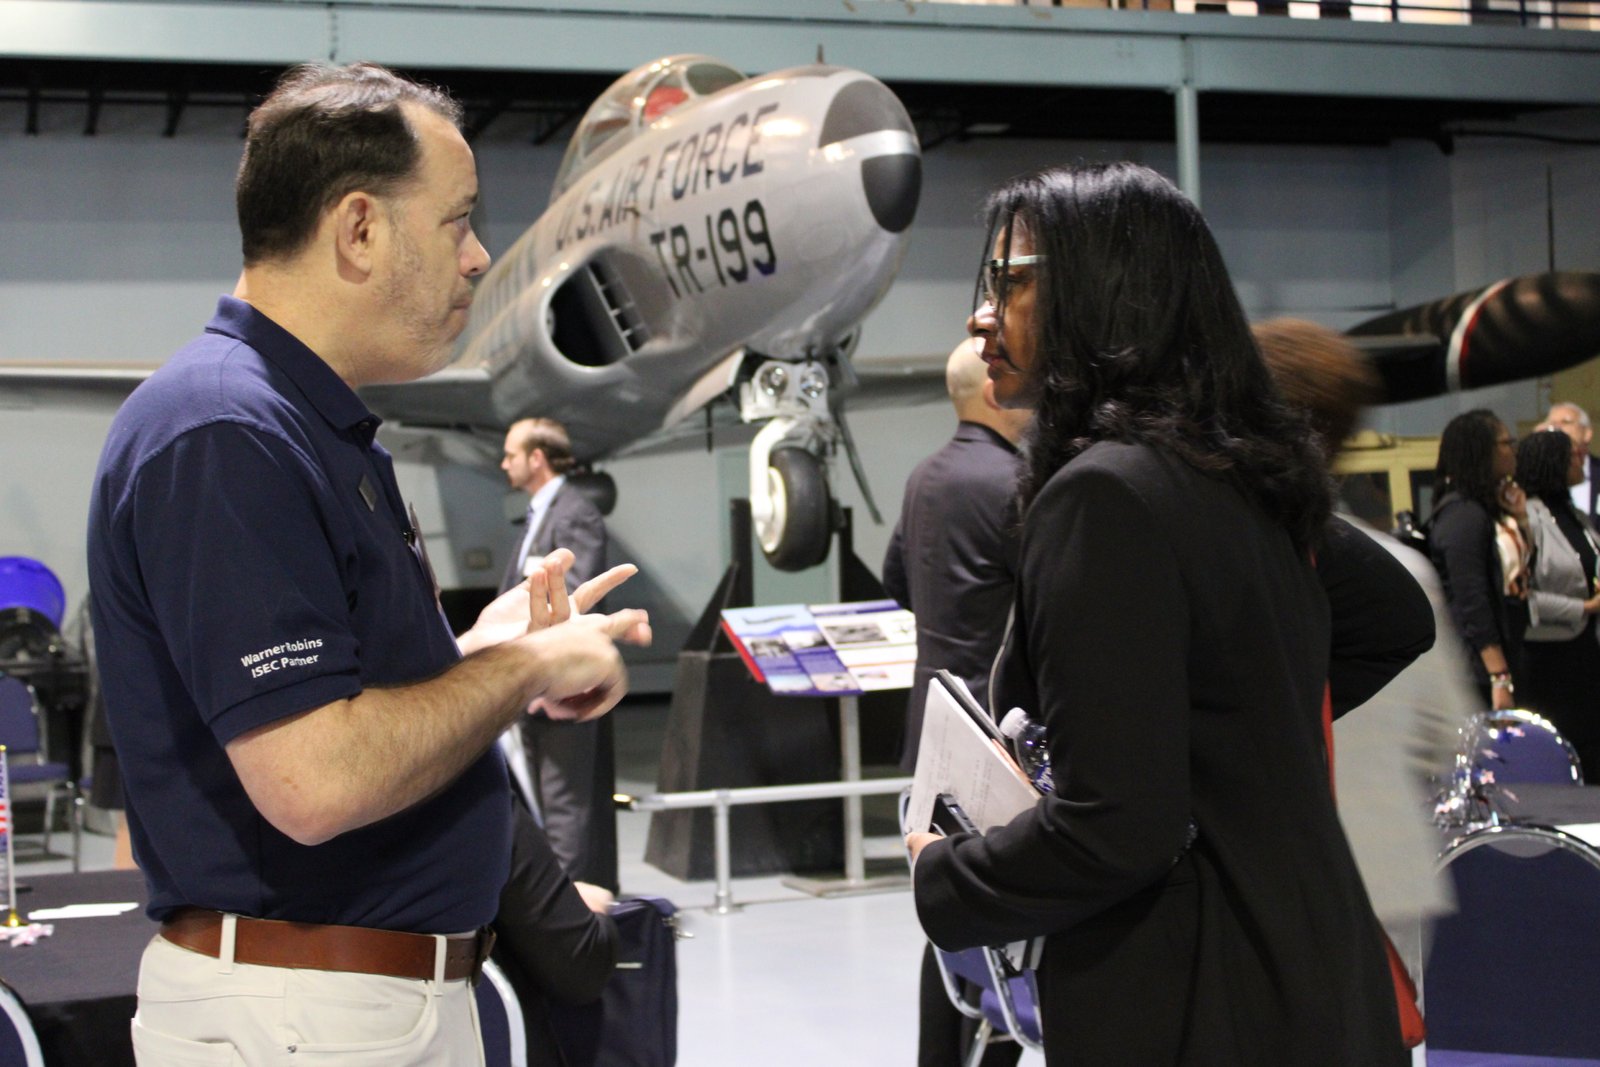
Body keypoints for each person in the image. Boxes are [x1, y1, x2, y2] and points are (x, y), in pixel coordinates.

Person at [87, 62, 649, 1063]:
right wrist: (524, 667)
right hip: (303, 1014)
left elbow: (335, 707)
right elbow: (315, 779)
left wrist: (481, 649)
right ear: (358, 230)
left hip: (354, 1005)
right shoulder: (225, 431)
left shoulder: (301, 426)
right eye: (457, 221)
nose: (478, 256)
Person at [906, 163, 1405, 1064]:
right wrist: (1232, 735)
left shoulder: (1104, 497)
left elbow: (1117, 829)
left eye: (1009, 283)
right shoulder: (1235, 473)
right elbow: (1392, 615)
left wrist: (945, 873)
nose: (981, 315)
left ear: (1100, 294)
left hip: (1200, 997)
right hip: (1316, 972)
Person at [882, 339, 1031, 1067]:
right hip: (996, 739)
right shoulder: (1019, 483)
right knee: (1013, 925)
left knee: (947, 913)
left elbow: (896, 579)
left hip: (931, 729)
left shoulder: (924, 476)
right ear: (997, 391)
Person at [500, 416, 618, 892]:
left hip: (561, 683)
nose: (503, 463)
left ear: (536, 459)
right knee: (546, 801)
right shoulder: (540, 514)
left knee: (565, 802)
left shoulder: (574, 514)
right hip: (533, 683)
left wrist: (549, 676)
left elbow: (573, 603)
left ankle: (572, 906)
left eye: (510, 454)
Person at [1515, 428, 1600, 780]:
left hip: (1586, 652)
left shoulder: (1575, 515)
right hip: (1549, 658)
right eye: (1572, 456)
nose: (1581, 461)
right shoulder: (1527, 518)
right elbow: (1524, 596)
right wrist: (1586, 607)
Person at [1428, 410, 1525, 710]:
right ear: (1483, 451)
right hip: (1475, 674)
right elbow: (1471, 600)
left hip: (1478, 669)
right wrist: (1499, 676)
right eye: (1506, 443)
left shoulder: (1469, 510)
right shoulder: (1465, 514)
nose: (1513, 450)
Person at [1543, 401, 1600, 525]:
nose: (1557, 428)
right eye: (1552, 423)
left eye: (1565, 422)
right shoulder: (1540, 477)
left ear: (1587, 433)